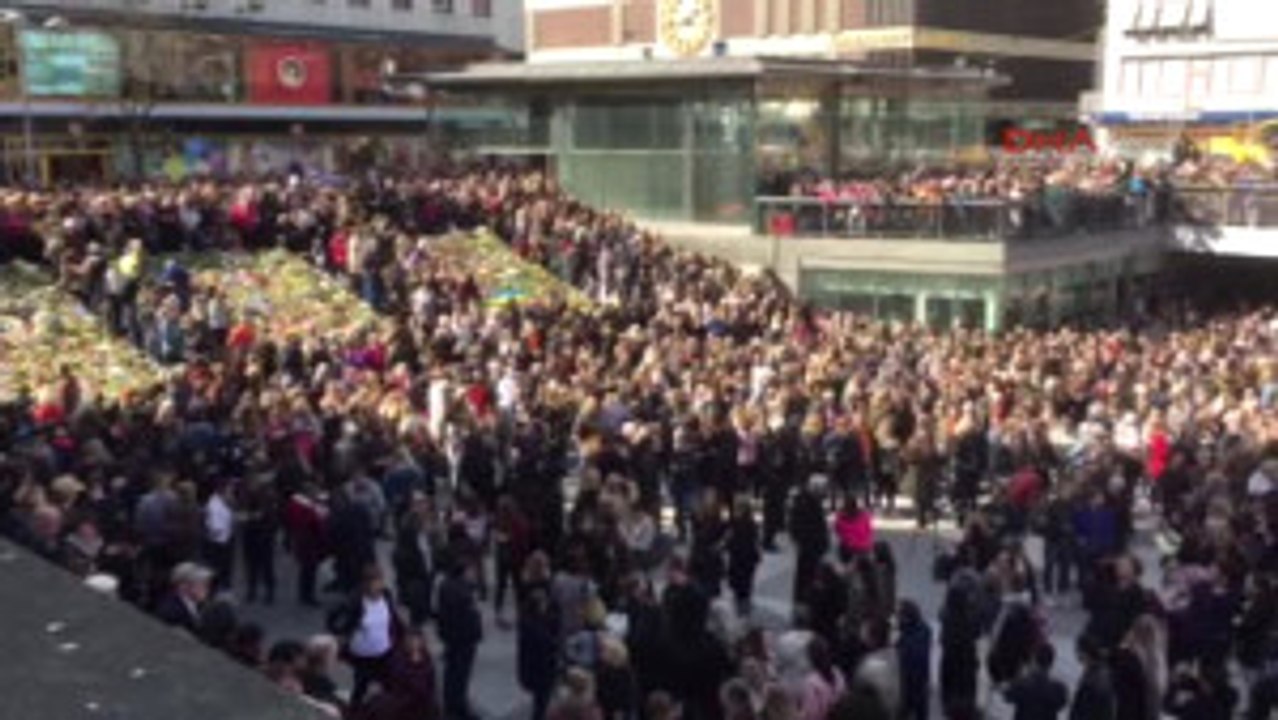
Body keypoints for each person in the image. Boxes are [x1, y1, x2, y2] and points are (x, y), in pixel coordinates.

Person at [328, 564, 402, 709]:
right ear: (366, 584)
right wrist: (340, 632)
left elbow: (393, 618)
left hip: (384, 651)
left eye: (381, 581)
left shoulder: (386, 595)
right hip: (363, 655)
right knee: (361, 686)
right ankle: (354, 713)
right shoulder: (356, 601)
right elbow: (335, 618)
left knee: (391, 684)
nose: (379, 586)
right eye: (375, 583)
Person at [437, 558, 483, 720]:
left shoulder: (446, 585)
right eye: (472, 570)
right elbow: (469, 617)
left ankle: (451, 705)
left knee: (452, 673)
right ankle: (458, 707)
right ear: (464, 572)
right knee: (461, 675)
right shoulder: (463, 592)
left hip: (452, 638)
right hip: (464, 640)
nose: (475, 573)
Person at [1003, 644, 1069, 720]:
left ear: (1034, 660)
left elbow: (1007, 696)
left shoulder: (1023, 685)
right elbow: (1062, 703)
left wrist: (1019, 677)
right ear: (1051, 663)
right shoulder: (1058, 689)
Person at [154, 561, 213, 636]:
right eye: (202, 584)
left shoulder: (199, 608)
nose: (207, 589)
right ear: (183, 585)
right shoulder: (171, 609)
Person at [726, 496, 762, 616]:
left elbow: (732, 541)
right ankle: (744, 604)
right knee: (746, 584)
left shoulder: (736, 523)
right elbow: (755, 541)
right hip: (747, 559)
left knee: (740, 584)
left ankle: (741, 606)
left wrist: (728, 546)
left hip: (739, 558)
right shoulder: (751, 524)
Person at [896, 600, 931, 720]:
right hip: (918, 683)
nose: (897, 617)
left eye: (899, 614)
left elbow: (912, 659)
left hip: (911, 683)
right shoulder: (921, 630)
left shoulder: (911, 635)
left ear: (907, 617)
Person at [1069, 635, 1115, 720]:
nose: (1077, 656)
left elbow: (1085, 711)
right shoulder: (1101, 672)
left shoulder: (1094, 678)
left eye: (1078, 651)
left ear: (1085, 653)